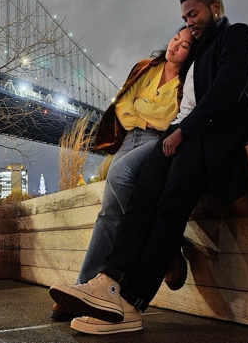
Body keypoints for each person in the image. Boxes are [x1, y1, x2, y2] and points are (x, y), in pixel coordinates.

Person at [50, 0, 248, 335]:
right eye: (184, 18)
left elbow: (227, 91)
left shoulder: (237, 36)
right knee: (142, 202)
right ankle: (108, 286)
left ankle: (131, 305)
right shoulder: (194, 54)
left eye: (194, 14)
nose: (188, 23)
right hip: (177, 136)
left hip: (206, 136)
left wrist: (183, 131)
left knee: (168, 212)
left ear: (216, 8)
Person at [52, 26, 196, 321]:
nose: (175, 46)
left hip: (157, 141)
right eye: (175, 39)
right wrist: (144, 110)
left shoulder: (187, 81)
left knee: (118, 175)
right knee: (107, 213)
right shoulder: (146, 67)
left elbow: (167, 117)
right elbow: (122, 107)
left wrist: (143, 109)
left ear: (191, 54)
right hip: (129, 138)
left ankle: (160, 244)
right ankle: (83, 291)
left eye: (184, 46)